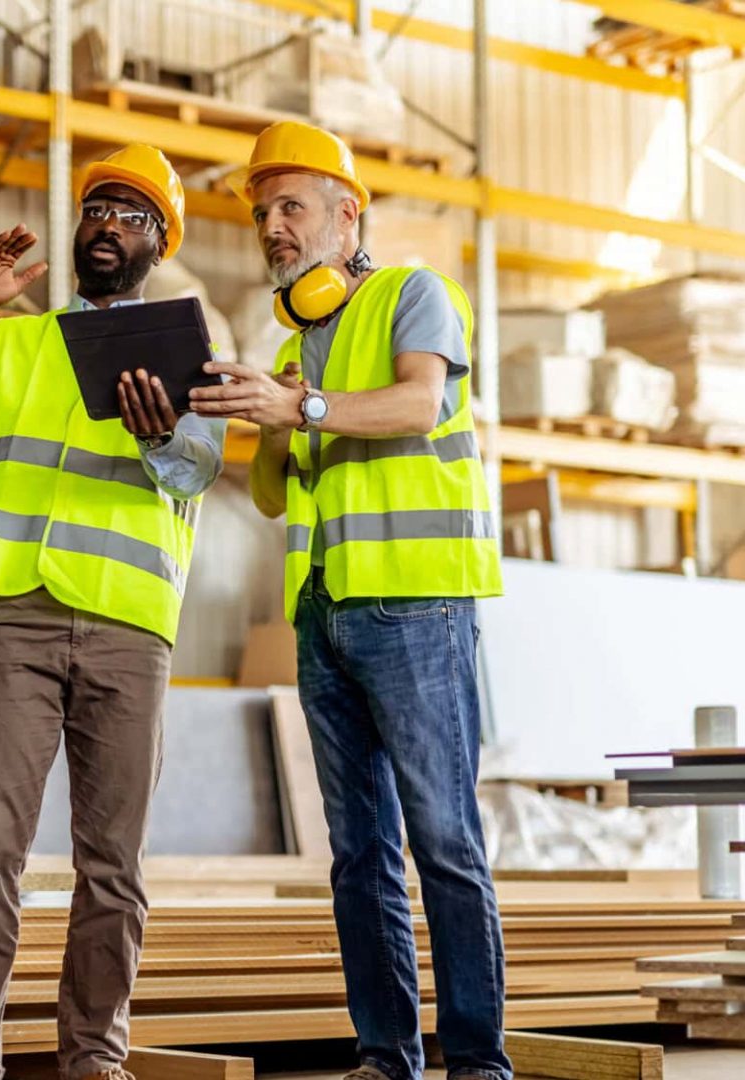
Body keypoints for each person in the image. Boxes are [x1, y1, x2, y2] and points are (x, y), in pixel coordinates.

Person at [0, 144, 225, 1080]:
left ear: (160, 245)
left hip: (127, 629)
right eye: (101, 210)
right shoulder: (17, 340)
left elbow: (200, 470)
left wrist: (162, 434)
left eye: (136, 217)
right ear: (79, 230)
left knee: (112, 862)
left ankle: (93, 1057)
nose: (111, 225)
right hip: (14, 620)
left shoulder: (186, 356)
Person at [188, 120, 511, 1080]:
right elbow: (275, 495)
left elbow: (419, 405)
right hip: (324, 616)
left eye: (291, 207)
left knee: (444, 840)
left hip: (416, 606)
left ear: (345, 213)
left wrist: (304, 407)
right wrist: (271, 417)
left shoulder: (418, 294)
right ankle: (385, 1055)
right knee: (359, 853)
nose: (273, 228)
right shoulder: (297, 339)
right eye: (261, 214)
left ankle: (479, 1062)